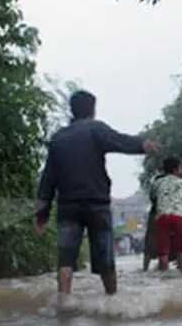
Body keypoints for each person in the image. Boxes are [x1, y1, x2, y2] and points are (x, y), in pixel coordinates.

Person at [35, 90, 161, 295]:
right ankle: (112, 303)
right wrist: (141, 145)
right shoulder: (96, 129)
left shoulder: (58, 138)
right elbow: (119, 140)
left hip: (68, 206)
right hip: (97, 204)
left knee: (65, 259)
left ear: (73, 110)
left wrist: (42, 214)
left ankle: (64, 305)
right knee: (106, 259)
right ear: (92, 109)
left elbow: (48, 179)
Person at [151, 155, 182, 274]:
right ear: (175, 170)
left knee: (163, 250)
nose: (181, 171)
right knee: (181, 249)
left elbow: (153, 199)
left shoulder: (156, 183)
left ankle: (164, 275)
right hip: (178, 217)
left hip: (162, 217)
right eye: (180, 168)